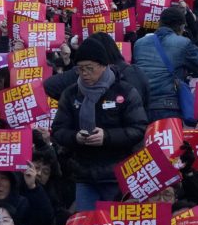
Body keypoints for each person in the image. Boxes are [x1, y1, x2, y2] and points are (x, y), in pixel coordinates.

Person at [50, 35, 149, 211]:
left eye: (90, 68)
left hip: (117, 175)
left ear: (104, 66)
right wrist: (75, 137)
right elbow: (58, 130)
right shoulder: (71, 94)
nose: (85, 74)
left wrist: (107, 136)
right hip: (84, 175)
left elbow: (138, 128)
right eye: (80, 69)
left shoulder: (125, 92)